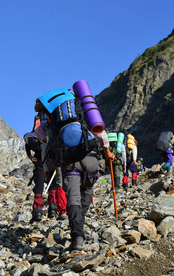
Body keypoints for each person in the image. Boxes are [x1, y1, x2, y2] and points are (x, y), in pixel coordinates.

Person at [34, 97, 114, 251]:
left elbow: (45, 143)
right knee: (87, 191)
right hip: (90, 158)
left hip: (69, 162)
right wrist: (107, 152)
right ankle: (79, 223)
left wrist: (46, 168)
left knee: (73, 199)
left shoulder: (47, 125)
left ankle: (77, 236)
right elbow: (102, 135)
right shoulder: (84, 116)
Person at [24, 113, 67, 222]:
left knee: (39, 184)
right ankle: (52, 208)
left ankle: (37, 210)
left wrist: (30, 155)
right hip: (52, 157)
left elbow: (27, 142)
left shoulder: (35, 130)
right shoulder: (53, 125)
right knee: (53, 183)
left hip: (39, 159)